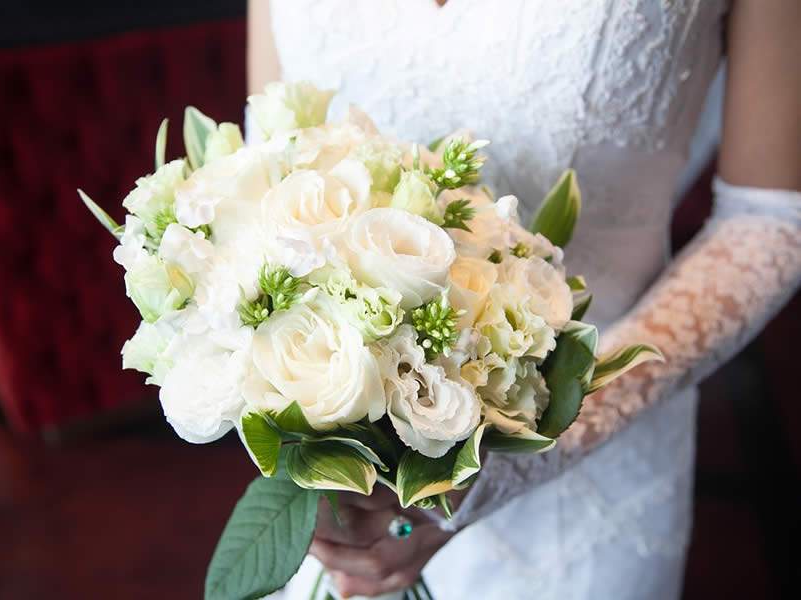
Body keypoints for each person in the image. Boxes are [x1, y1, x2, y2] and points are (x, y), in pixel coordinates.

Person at [247, 1, 801, 598]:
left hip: (588, 482)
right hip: (343, 485)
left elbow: (767, 221)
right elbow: (265, 174)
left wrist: (516, 465)